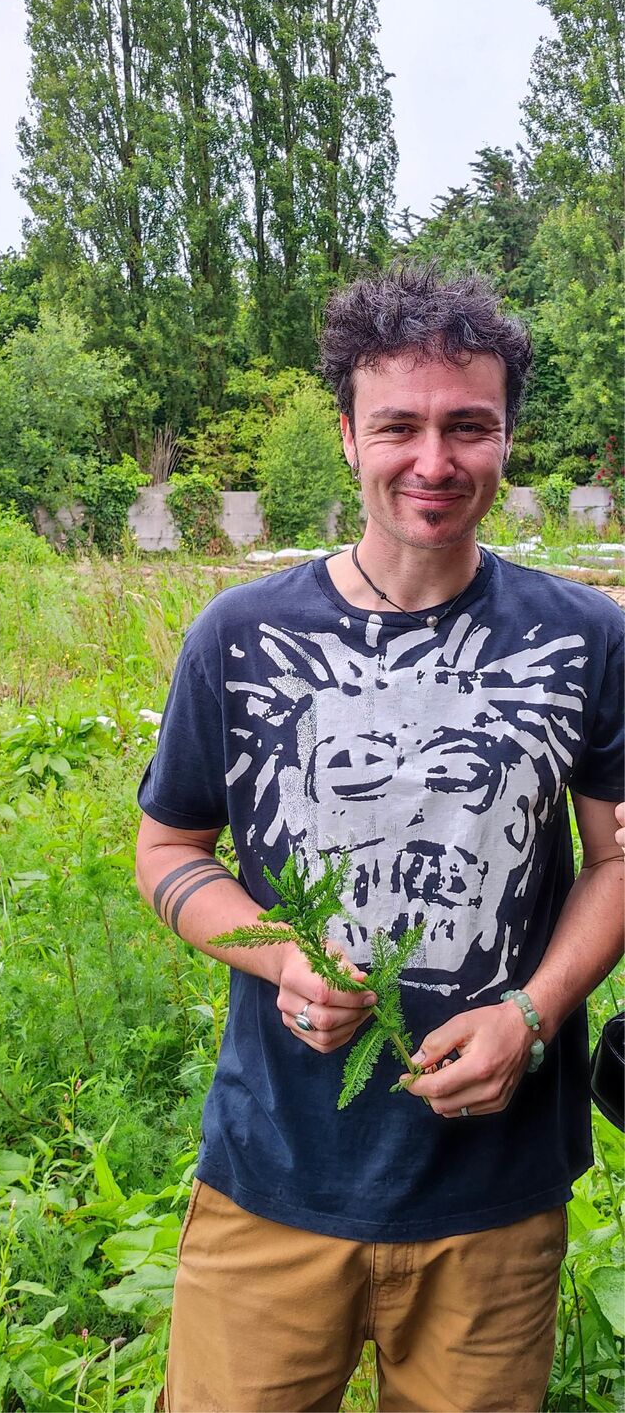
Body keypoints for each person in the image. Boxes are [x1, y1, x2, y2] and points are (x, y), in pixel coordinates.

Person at [135, 266, 625, 1413]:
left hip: (491, 1198)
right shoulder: (240, 636)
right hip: (273, 1180)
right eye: (398, 425)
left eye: (469, 427)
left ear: (506, 437)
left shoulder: (588, 638)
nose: (434, 462)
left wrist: (527, 1013)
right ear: (346, 435)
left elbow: (615, 861)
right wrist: (275, 954)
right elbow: (168, 852)